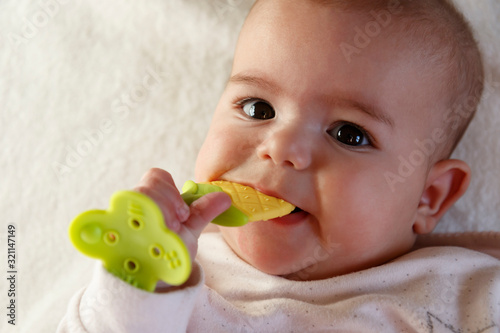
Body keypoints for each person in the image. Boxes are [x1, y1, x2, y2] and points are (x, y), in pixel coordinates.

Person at [58, 0, 500, 331]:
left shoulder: (465, 291)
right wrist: (141, 274)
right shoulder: (175, 275)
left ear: (429, 195)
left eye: (348, 133)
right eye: (257, 108)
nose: (280, 146)